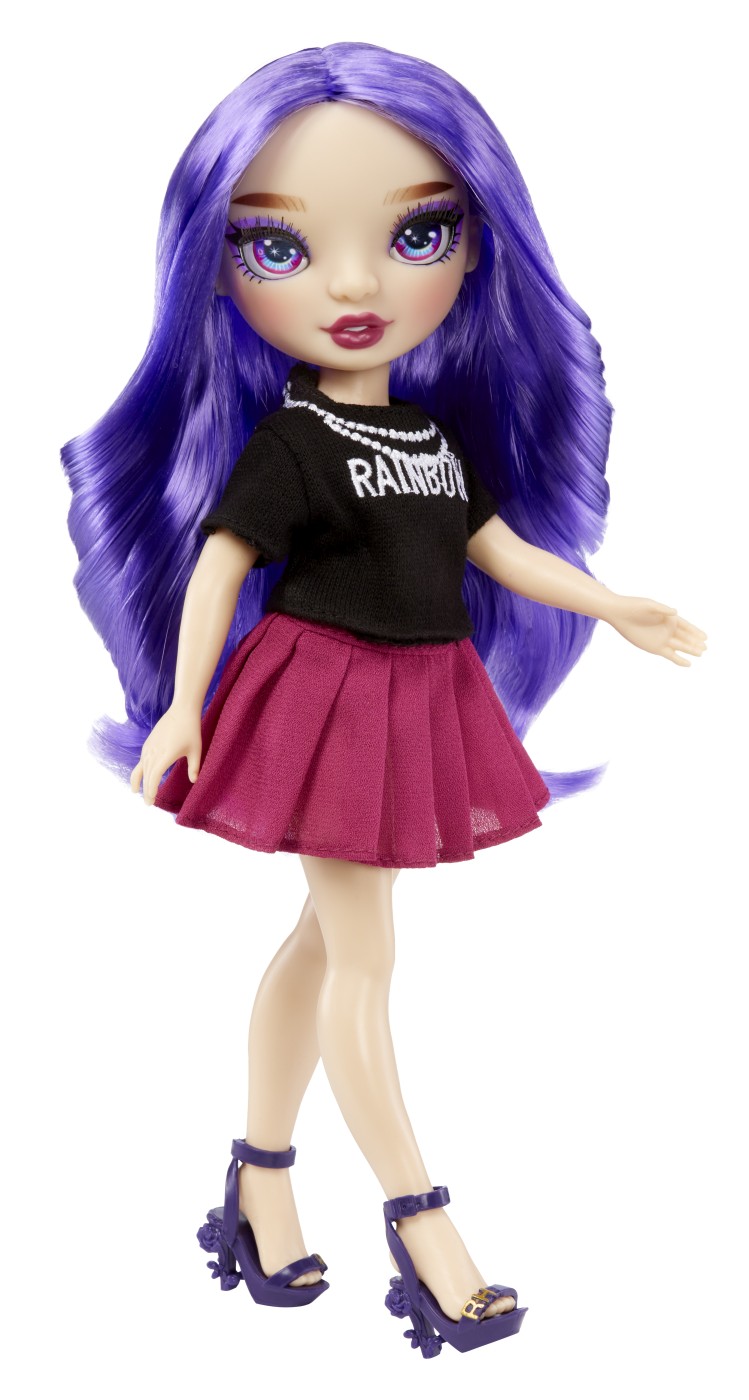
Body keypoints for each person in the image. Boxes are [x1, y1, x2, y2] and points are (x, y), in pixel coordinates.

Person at [61, 44, 706, 1360]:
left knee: (325, 938)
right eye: (278, 247)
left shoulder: (428, 437)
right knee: (363, 959)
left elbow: (499, 552)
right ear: (217, 269)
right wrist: (183, 704)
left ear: (476, 248)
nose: (354, 286)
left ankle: (257, 1182)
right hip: (323, 697)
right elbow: (220, 565)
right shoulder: (292, 441)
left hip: (415, 695)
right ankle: (424, 1229)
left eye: (417, 234)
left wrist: (612, 605)